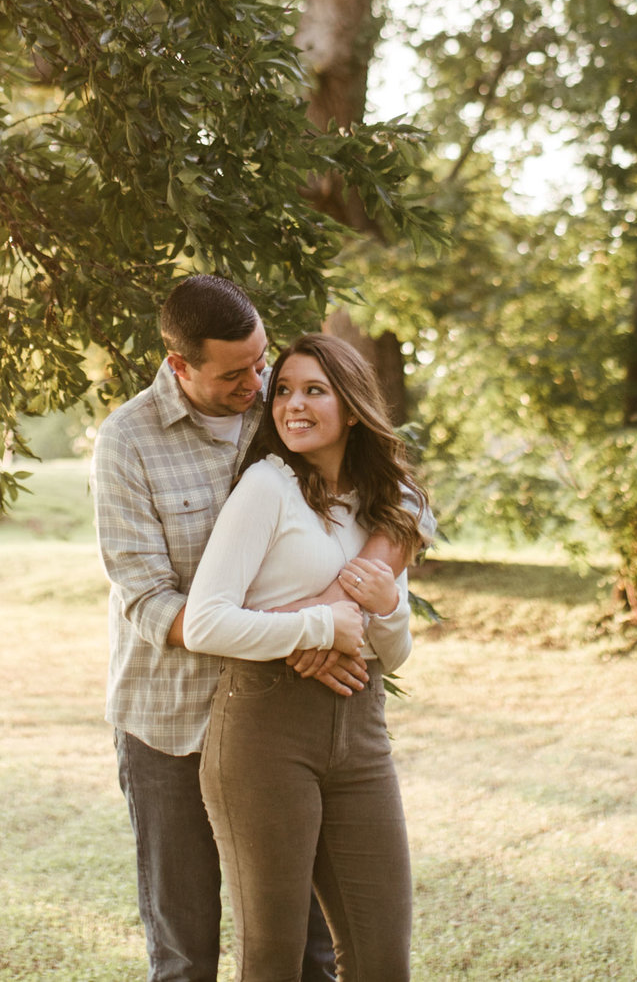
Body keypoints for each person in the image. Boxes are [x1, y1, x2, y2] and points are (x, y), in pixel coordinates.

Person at [92, 275, 361, 982]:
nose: (259, 381)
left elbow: (395, 503)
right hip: (170, 725)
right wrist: (307, 630)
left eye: (262, 359)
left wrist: (336, 604)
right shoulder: (127, 441)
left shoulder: (285, 406)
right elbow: (148, 599)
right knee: (185, 953)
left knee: (304, 946)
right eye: (234, 372)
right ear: (180, 365)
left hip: (279, 723)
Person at [183, 331, 429, 982]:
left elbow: (394, 654)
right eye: (283, 390)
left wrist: (389, 606)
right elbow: (206, 620)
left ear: (350, 406)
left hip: (362, 732)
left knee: (382, 958)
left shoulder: (384, 504)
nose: (292, 403)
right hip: (265, 733)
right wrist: (322, 622)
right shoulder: (268, 486)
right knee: (274, 958)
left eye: (314, 390)